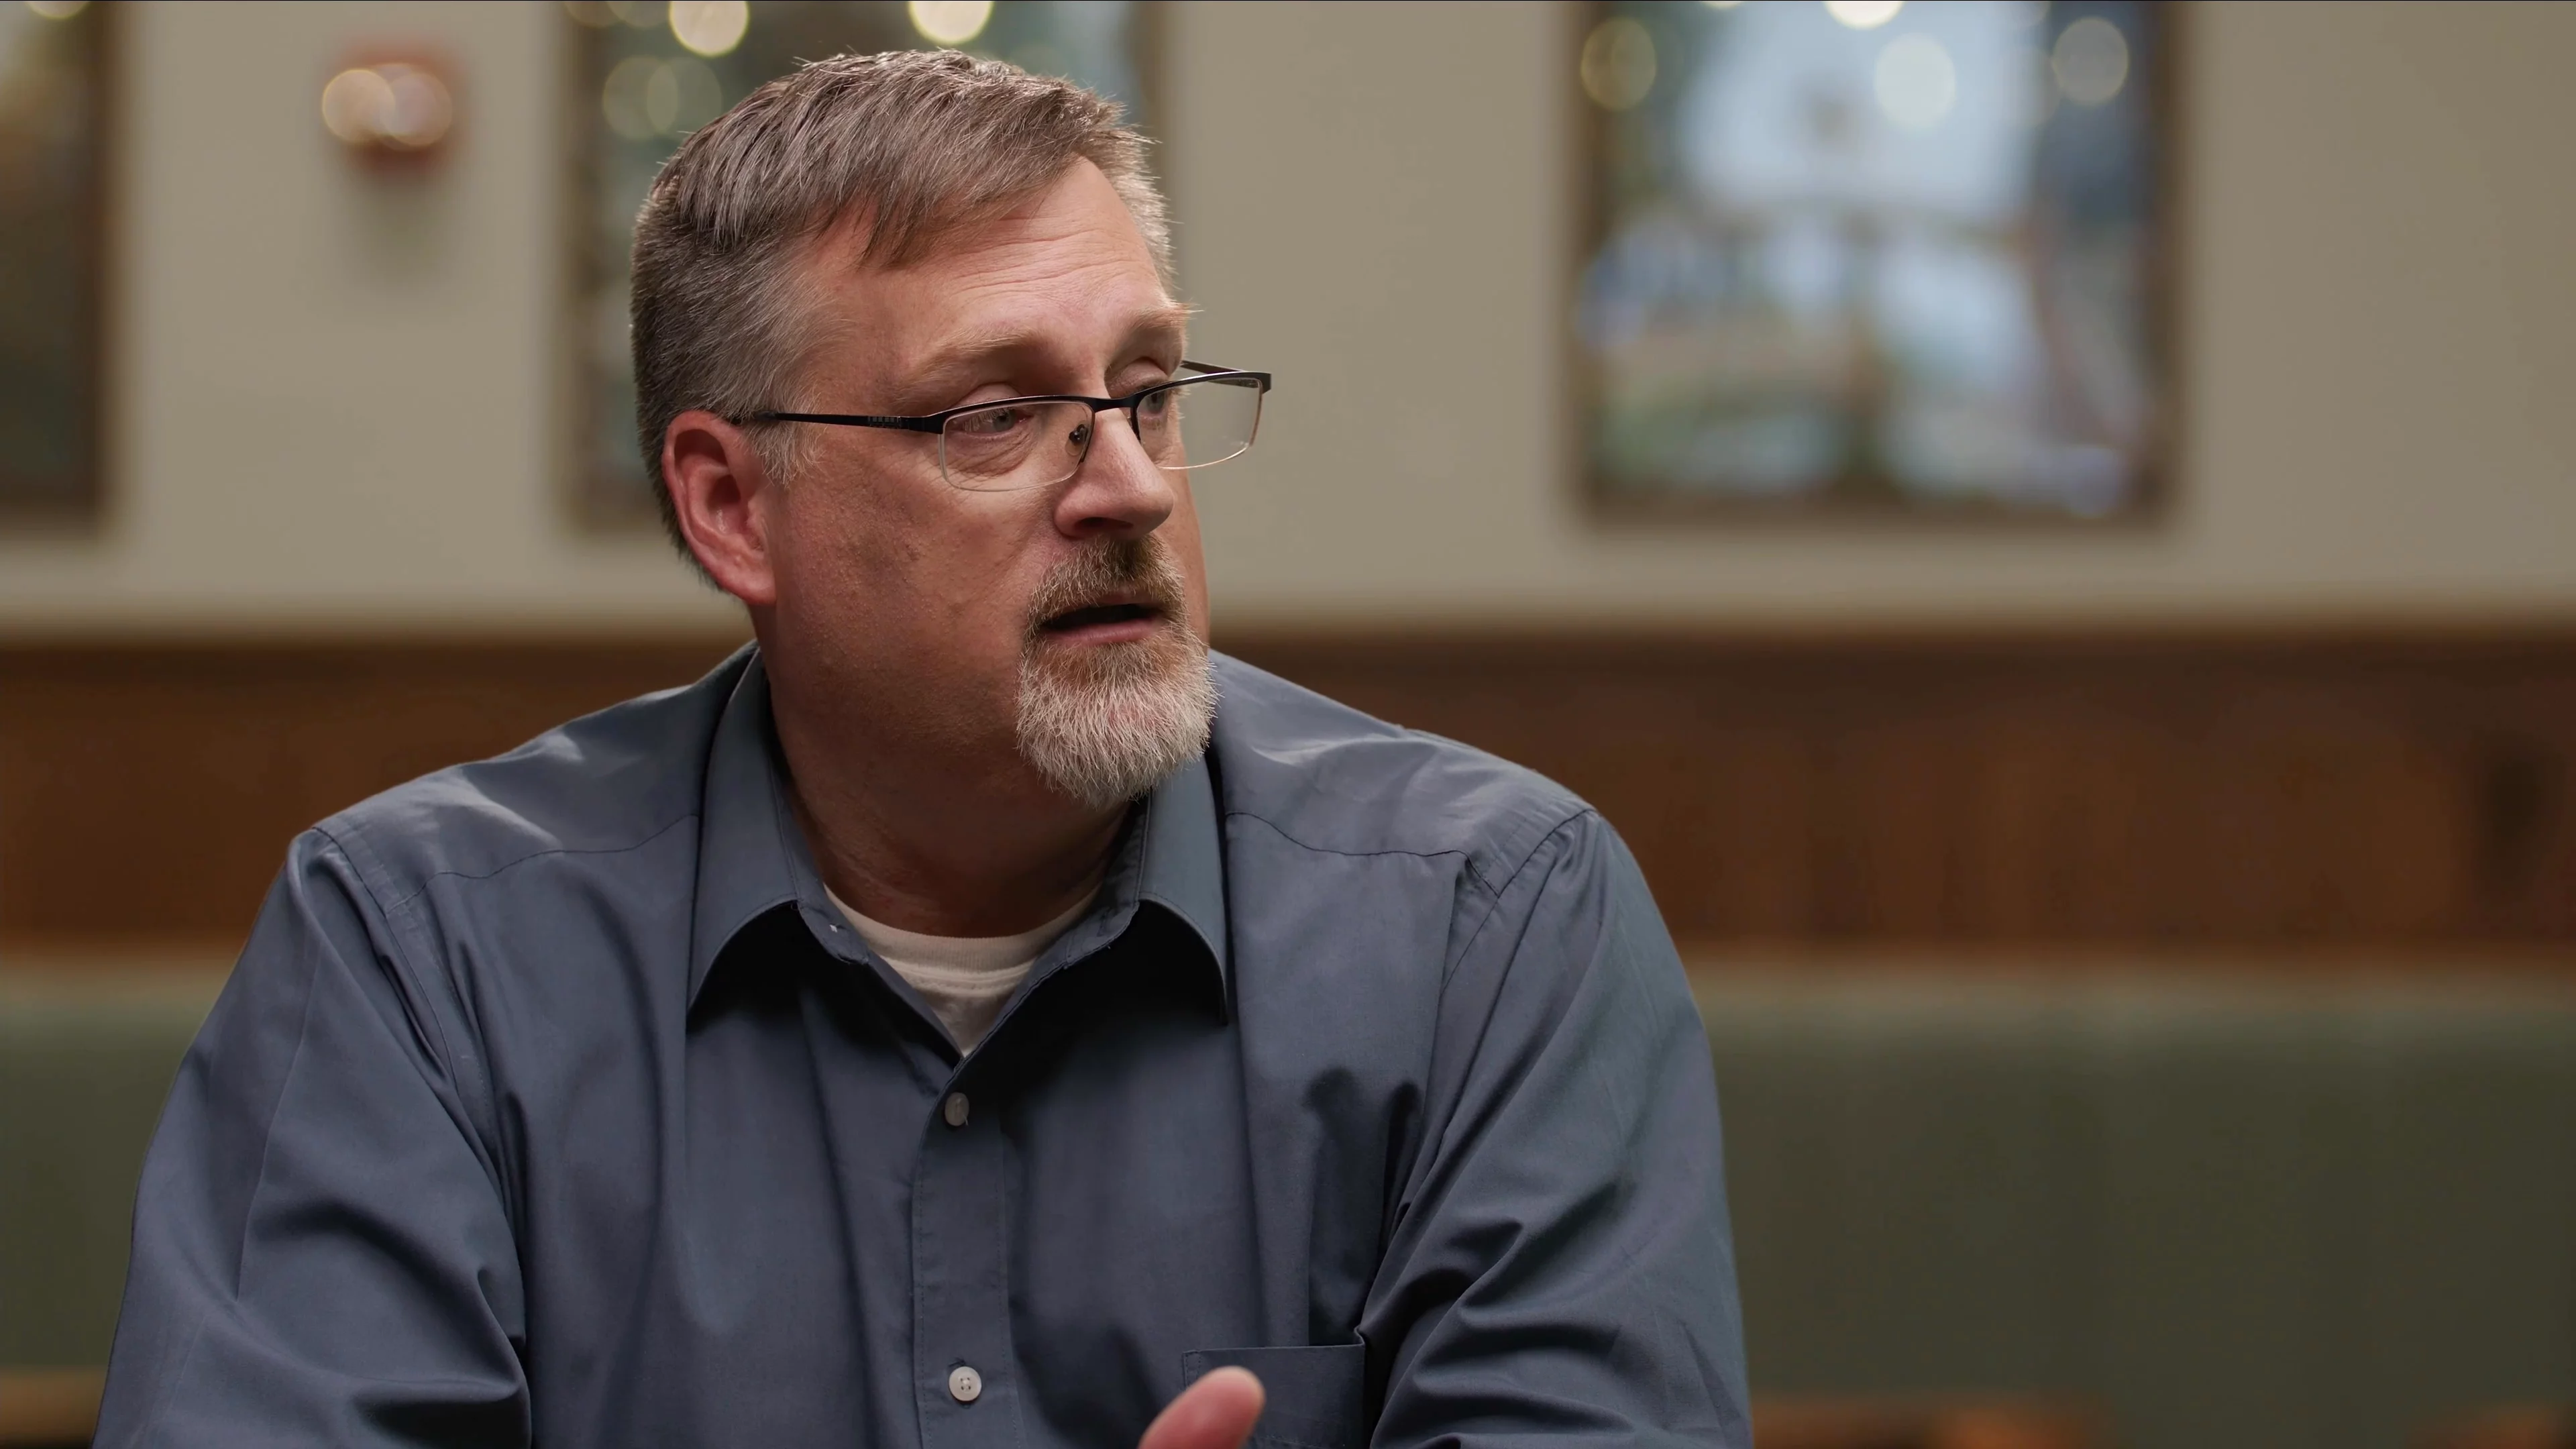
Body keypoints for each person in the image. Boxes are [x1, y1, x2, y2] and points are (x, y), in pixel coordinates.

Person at [97, 49, 1747, 1449]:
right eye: (992, 417)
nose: (1131, 487)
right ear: (732, 505)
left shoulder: (1486, 925)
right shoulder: (422, 953)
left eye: (1149, 390)